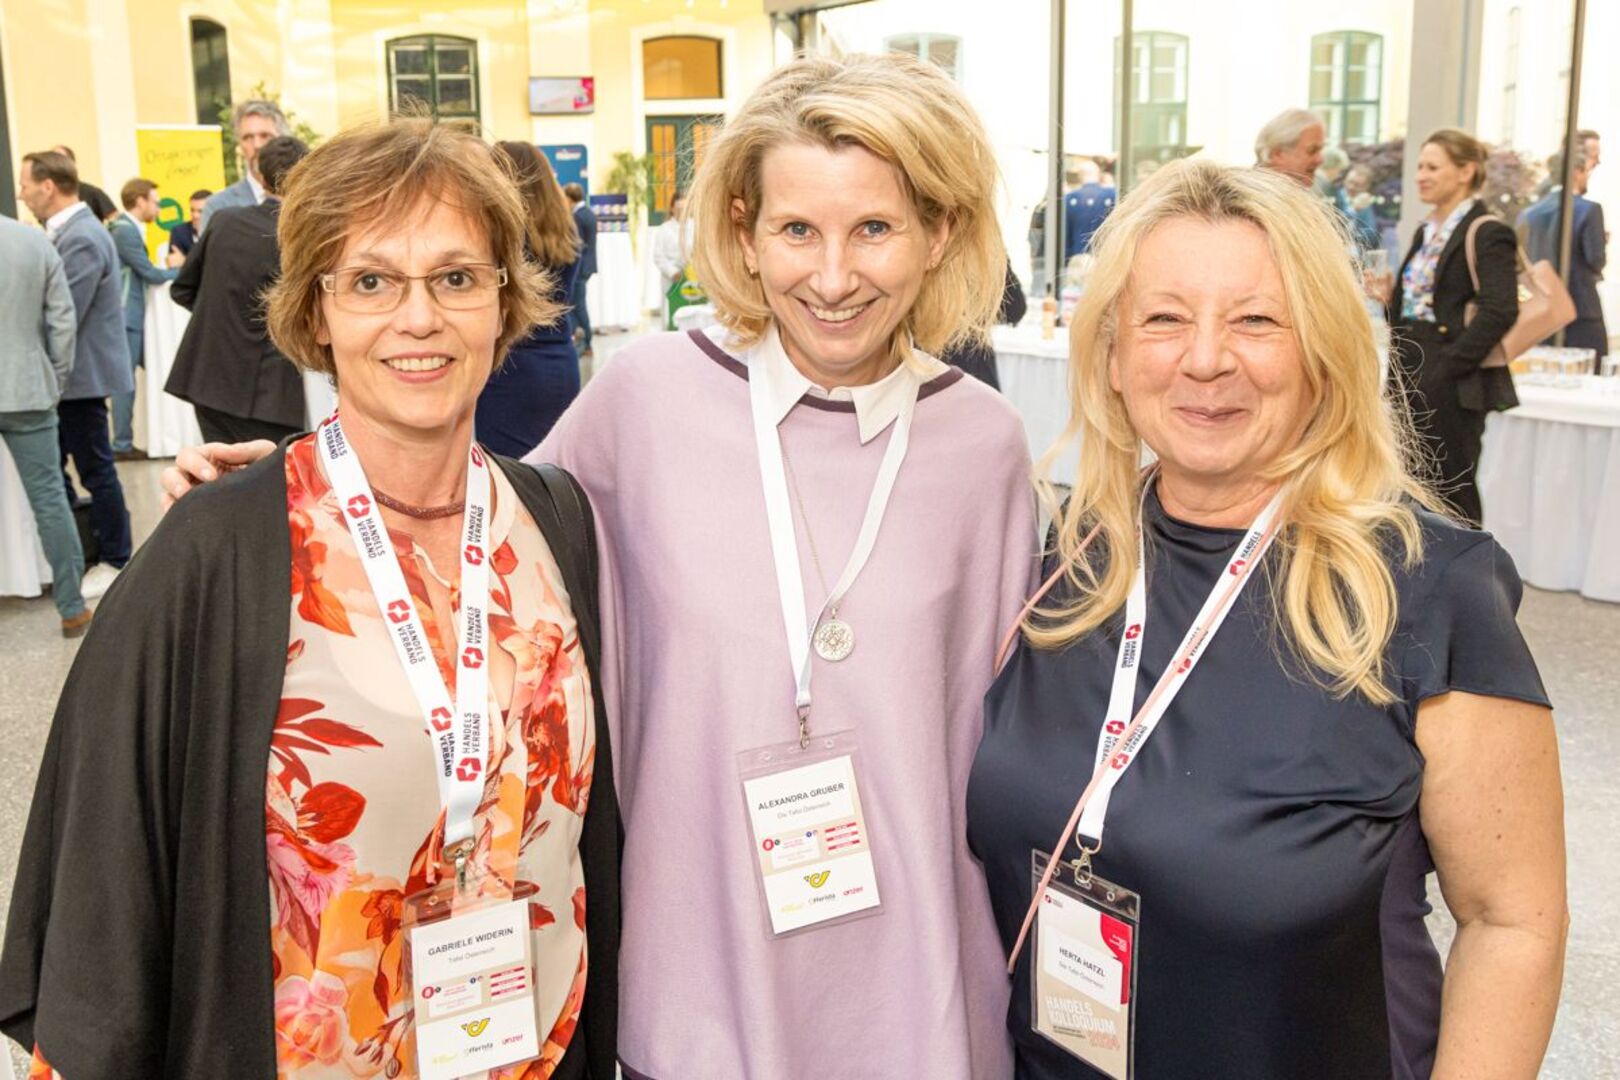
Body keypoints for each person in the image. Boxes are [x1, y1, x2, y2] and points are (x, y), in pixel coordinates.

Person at [162, 52, 1037, 1077]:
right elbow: (473, 533)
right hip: (699, 982)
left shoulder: (984, 446)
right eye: (799, 229)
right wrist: (294, 491)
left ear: (941, 233)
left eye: (875, 228)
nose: (834, 276)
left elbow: (1017, 739)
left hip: (917, 989)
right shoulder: (648, 399)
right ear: (745, 231)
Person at [0, 116, 620, 1080]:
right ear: (316, 311)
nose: (420, 317)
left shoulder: (554, 520)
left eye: (457, 277)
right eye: (371, 281)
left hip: (530, 1047)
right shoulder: (219, 553)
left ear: (504, 300)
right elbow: (105, 891)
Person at [968, 158, 1567, 1080]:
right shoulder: (1076, 557)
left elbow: (1512, 922)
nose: (1206, 359)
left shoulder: (1429, 587)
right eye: (1165, 319)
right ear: (1113, 356)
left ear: (1323, 352)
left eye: (1256, 321)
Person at [1384, 128, 1519, 527]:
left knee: (1451, 492)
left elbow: (1500, 309)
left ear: (1466, 171)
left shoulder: (1488, 231)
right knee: (1409, 488)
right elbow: (1415, 307)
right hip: (1409, 369)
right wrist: (1388, 298)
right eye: (1420, 167)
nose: (1420, 176)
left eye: (1432, 167)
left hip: (1450, 378)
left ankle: (1470, 567)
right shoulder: (1426, 231)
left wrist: (1448, 368)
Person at [17, 149, 134, 595]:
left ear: (48, 186)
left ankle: (115, 559)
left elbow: (64, 312)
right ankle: (86, 552)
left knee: (95, 469)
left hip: (80, 379)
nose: (21, 194)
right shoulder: (71, 232)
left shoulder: (82, 236)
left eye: (26, 185)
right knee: (76, 467)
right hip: (75, 377)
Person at [165, 136, 310, 445]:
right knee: (269, 472)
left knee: (219, 469)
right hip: (272, 392)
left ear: (260, 177)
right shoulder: (301, 237)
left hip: (210, 378)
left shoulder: (224, 221)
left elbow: (183, 288)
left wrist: (223, 318)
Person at [0, 214, 91, 636]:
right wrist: (54, 377)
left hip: (30, 388)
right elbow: (62, 321)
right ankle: (72, 609)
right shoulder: (33, 242)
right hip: (28, 388)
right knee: (50, 499)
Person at [474, 142, 582, 457]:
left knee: (510, 471)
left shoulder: (504, 235)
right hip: (561, 361)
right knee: (554, 468)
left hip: (511, 365)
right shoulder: (566, 231)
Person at [108, 178, 181, 460]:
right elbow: (149, 273)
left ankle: (157, 436)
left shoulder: (126, 229)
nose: (158, 208)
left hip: (132, 316)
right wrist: (181, 270)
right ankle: (122, 445)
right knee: (125, 382)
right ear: (140, 201)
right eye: (155, 202)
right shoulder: (125, 231)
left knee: (153, 372)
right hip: (128, 316)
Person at [1519, 146, 1608, 361]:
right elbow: (1596, 259)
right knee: (1589, 370)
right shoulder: (1589, 210)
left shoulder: (1529, 213)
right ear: (1577, 172)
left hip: (1543, 308)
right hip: (1581, 308)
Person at [202, 98, 290, 231]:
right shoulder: (218, 206)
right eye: (247, 138)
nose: (257, 145)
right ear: (239, 144)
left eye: (265, 136)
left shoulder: (303, 198)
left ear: (282, 139)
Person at [940, 262, 1027, 389]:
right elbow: (1015, 309)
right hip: (970, 366)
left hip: (964, 364)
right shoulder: (986, 257)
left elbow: (1015, 309)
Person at [564, 182, 597, 359]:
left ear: (570, 198)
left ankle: (586, 341)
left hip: (580, 268)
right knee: (577, 305)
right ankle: (583, 340)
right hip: (588, 266)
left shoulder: (576, 217)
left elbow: (576, 245)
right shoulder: (589, 213)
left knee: (577, 306)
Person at [650, 188, 692, 322]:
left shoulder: (696, 227)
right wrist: (673, 272)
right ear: (672, 209)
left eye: (684, 209)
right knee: (672, 317)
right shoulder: (664, 229)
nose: (682, 212)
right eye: (679, 209)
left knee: (692, 315)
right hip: (671, 280)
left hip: (693, 279)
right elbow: (658, 256)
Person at [1255, 108, 1327, 187]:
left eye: (1320, 150)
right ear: (1278, 154)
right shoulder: (1253, 193)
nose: (1320, 160)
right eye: (1312, 150)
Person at [1063, 158, 1117, 262]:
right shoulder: (1112, 195)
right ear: (1099, 175)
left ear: (1079, 176)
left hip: (1078, 256)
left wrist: (1066, 258)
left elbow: (1065, 233)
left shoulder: (1070, 199)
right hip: (1104, 255)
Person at [48, 145, 116, 222]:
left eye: (60, 160)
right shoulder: (47, 196)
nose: (55, 164)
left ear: (72, 164)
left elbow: (116, 222)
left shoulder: (93, 193)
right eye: (52, 160)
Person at [167, 188, 212, 261]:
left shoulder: (221, 231)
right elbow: (174, 262)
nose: (195, 215)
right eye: (192, 210)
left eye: (200, 211)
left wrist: (184, 261)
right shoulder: (179, 232)